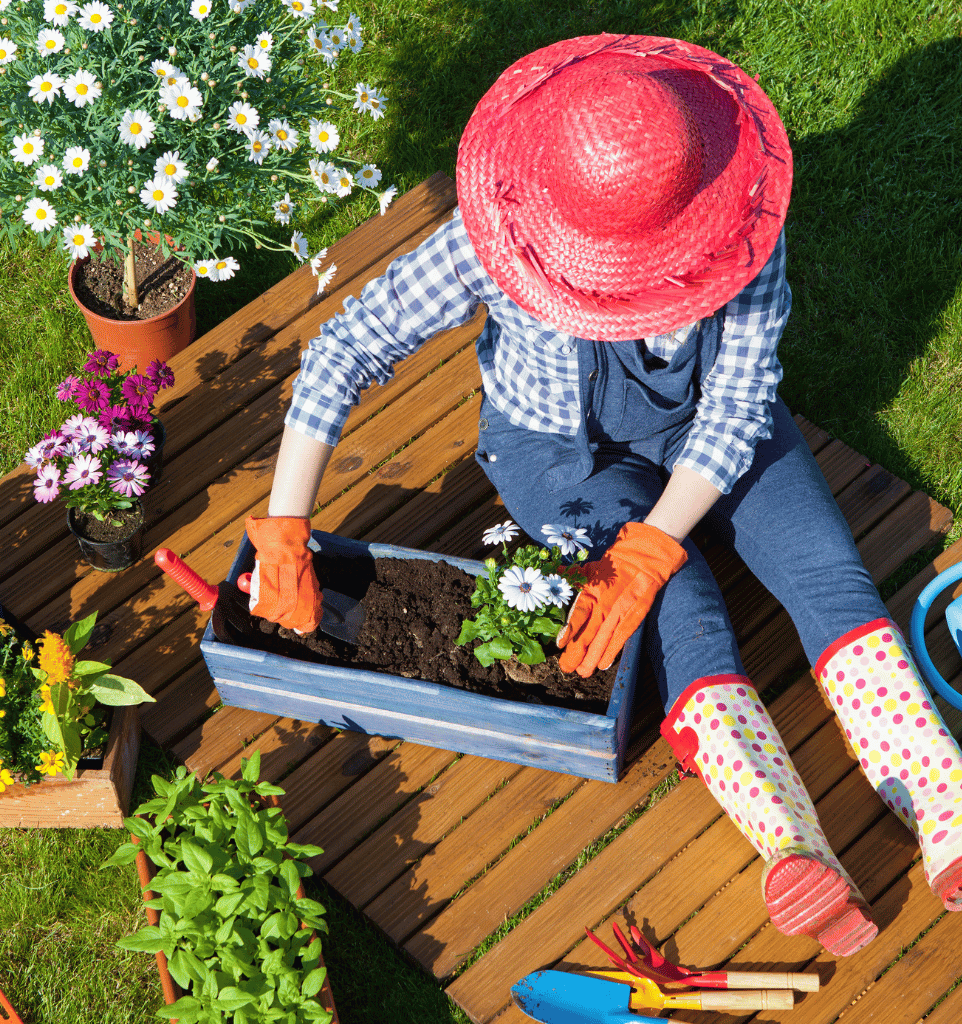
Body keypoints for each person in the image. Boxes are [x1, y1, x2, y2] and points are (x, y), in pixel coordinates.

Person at [243, 33, 962, 955]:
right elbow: (349, 344)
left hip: (713, 432)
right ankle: (794, 846)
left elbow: (739, 406)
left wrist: (651, 543)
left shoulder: (738, 227)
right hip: (558, 457)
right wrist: (289, 527)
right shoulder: (499, 234)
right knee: (680, 611)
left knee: (826, 571)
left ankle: (940, 799)